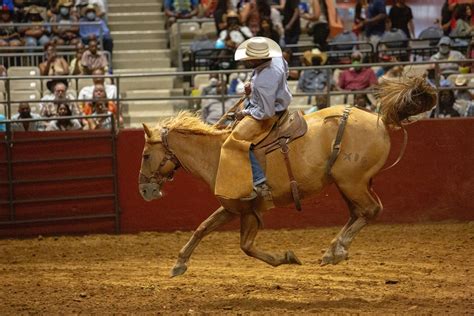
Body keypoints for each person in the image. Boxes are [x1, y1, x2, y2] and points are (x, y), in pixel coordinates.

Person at [215, 37, 292, 201]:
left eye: (249, 58)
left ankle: (259, 182)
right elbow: (285, 70)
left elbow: (266, 113)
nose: (246, 60)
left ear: (258, 58)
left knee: (234, 142)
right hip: (265, 102)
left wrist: (245, 113)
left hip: (267, 112)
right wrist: (254, 91)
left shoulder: (264, 80)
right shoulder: (277, 59)